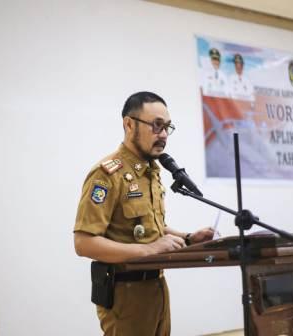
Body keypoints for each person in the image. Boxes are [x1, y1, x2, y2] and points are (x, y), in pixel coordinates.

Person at [73, 91, 214, 336]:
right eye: (156, 126)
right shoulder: (107, 174)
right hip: (125, 294)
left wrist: (188, 238)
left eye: (167, 127)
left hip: (157, 288)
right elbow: (84, 242)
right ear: (129, 124)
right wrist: (147, 250)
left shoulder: (152, 171)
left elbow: (151, 227)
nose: (163, 135)